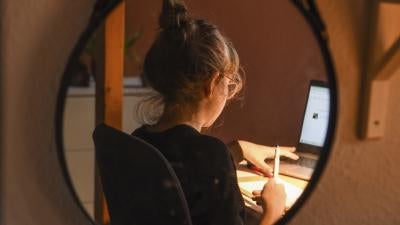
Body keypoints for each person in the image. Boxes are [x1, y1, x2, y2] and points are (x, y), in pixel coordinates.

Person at [132, 0, 298, 224]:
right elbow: (200, 164)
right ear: (212, 84)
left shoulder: (139, 140)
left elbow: (184, 166)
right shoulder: (210, 156)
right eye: (229, 83)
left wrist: (237, 149)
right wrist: (273, 211)